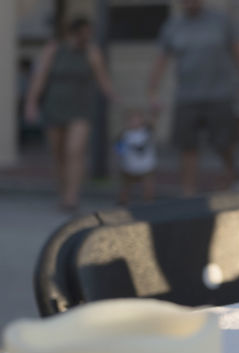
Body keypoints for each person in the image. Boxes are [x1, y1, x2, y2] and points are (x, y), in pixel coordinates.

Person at [147, 0, 239, 196]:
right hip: (187, 97)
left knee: (224, 143)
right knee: (187, 147)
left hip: (219, 94)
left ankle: (229, 172)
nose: (190, 3)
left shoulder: (220, 21)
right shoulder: (173, 26)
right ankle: (188, 192)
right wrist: (153, 91)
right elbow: (161, 61)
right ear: (180, 1)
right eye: (185, 0)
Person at [23, 17, 115, 210]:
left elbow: (102, 79)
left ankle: (72, 197)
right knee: (58, 154)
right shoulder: (53, 50)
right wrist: (31, 103)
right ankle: (63, 191)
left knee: (75, 150)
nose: (87, 37)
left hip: (80, 109)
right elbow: (40, 78)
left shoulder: (92, 52)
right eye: (84, 33)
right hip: (54, 108)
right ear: (73, 33)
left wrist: (113, 96)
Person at [116, 107, 158, 205]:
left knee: (148, 184)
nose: (134, 122)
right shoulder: (124, 135)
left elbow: (154, 122)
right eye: (130, 119)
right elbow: (119, 149)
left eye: (136, 119)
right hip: (129, 166)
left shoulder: (146, 131)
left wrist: (155, 111)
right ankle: (123, 201)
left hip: (146, 166)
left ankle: (149, 201)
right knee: (126, 185)